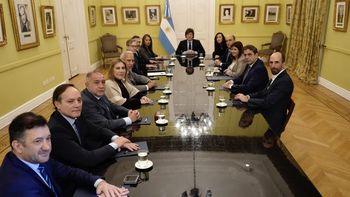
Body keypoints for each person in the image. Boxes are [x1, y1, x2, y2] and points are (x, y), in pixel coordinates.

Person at [0, 112, 129, 197]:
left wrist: (100, 183)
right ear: (17, 146)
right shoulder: (20, 189)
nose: (47, 147)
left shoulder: (32, 157)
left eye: (48, 138)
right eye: (38, 141)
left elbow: (68, 171)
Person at [48, 84, 139, 173]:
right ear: (57, 104)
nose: (77, 105)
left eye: (79, 100)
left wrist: (117, 139)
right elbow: (87, 159)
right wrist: (116, 144)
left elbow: (98, 129)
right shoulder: (56, 130)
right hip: (74, 179)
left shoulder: (75, 114)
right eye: (70, 101)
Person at [234, 52, 294, 148]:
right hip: (268, 110)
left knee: (243, 125)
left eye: (277, 62)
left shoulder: (285, 81)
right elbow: (263, 93)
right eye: (271, 62)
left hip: (272, 120)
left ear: (283, 64)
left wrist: (247, 100)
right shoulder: (277, 77)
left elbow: (267, 102)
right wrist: (248, 97)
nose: (273, 66)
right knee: (242, 113)